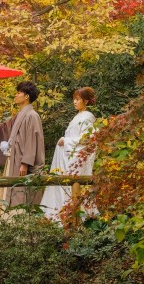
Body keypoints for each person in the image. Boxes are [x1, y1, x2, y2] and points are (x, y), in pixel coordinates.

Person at [0, 81, 45, 218]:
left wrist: (25, 162)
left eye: (18, 93)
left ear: (26, 96)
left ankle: (20, 224)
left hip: (22, 163)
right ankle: (9, 223)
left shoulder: (32, 115)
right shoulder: (20, 115)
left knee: (20, 192)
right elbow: (4, 129)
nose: (16, 95)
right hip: (13, 161)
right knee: (11, 191)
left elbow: (32, 140)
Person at [40, 87, 98, 223]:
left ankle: (75, 219)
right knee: (65, 184)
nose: (74, 102)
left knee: (73, 186)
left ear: (86, 101)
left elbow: (87, 139)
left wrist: (66, 141)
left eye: (78, 99)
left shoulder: (87, 117)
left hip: (75, 157)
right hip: (68, 156)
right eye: (74, 99)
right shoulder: (79, 116)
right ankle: (63, 216)